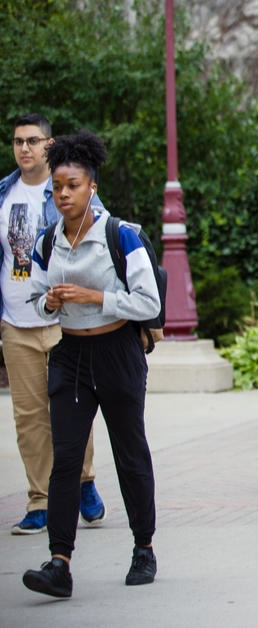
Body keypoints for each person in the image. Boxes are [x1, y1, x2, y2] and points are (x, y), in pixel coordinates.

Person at [23, 130, 161, 597]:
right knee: (65, 460)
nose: (63, 194)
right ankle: (59, 563)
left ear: (92, 187)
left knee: (130, 453)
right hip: (70, 355)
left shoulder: (120, 235)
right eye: (57, 186)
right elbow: (32, 298)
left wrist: (95, 296)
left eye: (73, 185)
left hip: (117, 352)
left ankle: (143, 548)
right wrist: (49, 302)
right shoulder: (47, 240)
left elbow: (148, 303)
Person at [2, 114, 106, 535]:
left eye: (32, 141)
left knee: (72, 409)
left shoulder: (69, 188)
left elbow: (99, 241)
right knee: (29, 417)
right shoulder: (4, 194)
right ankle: (40, 501)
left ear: (49, 144)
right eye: (17, 142)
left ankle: (82, 480)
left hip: (64, 322)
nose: (24, 149)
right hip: (16, 322)